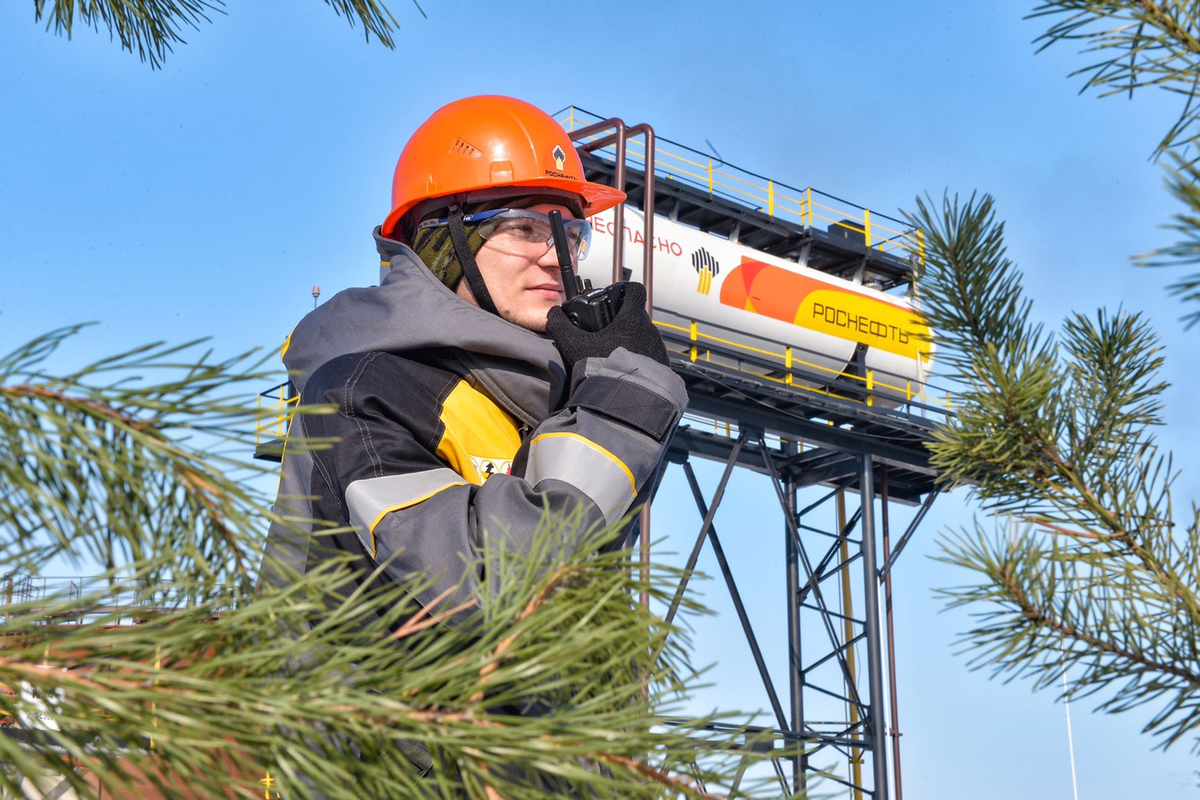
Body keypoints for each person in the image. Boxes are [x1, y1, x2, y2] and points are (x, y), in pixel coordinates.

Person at [263, 95, 687, 630]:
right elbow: (489, 585)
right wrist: (626, 405)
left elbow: (580, 613)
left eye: (570, 236)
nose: (559, 256)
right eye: (525, 229)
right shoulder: (361, 394)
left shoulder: (545, 405)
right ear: (445, 239)